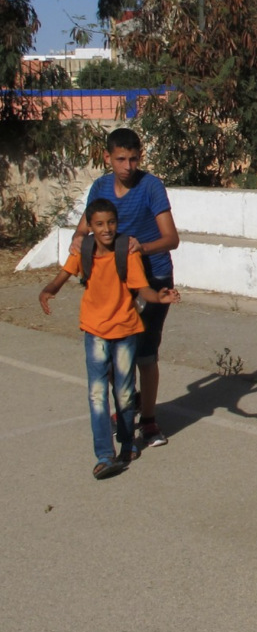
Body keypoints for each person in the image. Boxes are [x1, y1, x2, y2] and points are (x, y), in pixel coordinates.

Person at [39, 198, 181, 479]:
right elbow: (63, 275)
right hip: (94, 332)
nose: (106, 229)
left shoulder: (126, 252)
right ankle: (104, 455)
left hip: (126, 331)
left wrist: (160, 295)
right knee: (96, 394)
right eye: (100, 224)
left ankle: (127, 445)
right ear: (89, 226)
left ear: (117, 223)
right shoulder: (85, 250)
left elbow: (142, 289)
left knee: (125, 393)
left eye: (111, 223)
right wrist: (48, 290)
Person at [70, 127, 179, 447]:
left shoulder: (151, 186)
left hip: (152, 280)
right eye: (121, 159)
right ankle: (123, 412)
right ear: (108, 158)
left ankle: (148, 422)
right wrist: (78, 239)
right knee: (115, 354)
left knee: (145, 355)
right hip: (113, 286)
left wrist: (138, 248)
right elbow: (85, 228)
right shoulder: (100, 187)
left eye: (133, 159)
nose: (128, 166)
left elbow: (171, 238)